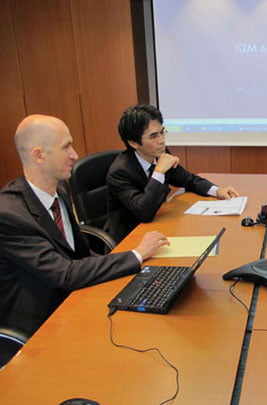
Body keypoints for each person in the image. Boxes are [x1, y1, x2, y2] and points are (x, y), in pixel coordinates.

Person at [0, 115, 170, 336]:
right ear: (38, 155)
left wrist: (140, 273)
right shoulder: (8, 215)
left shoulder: (60, 190)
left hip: (74, 297)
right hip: (40, 322)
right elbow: (64, 274)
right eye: (66, 147)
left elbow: (79, 256)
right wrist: (136, 255)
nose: (75, 155)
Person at [105, 104, 239, 242]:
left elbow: (189, 180)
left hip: (157, 226)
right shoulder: (120, 172)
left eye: (162, 132)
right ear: (133, 143)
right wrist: (159, 172)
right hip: (130, 237)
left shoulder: (159, 154)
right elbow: (144, 212)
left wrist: (217, 190)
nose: (161, 140)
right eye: (153, 136)